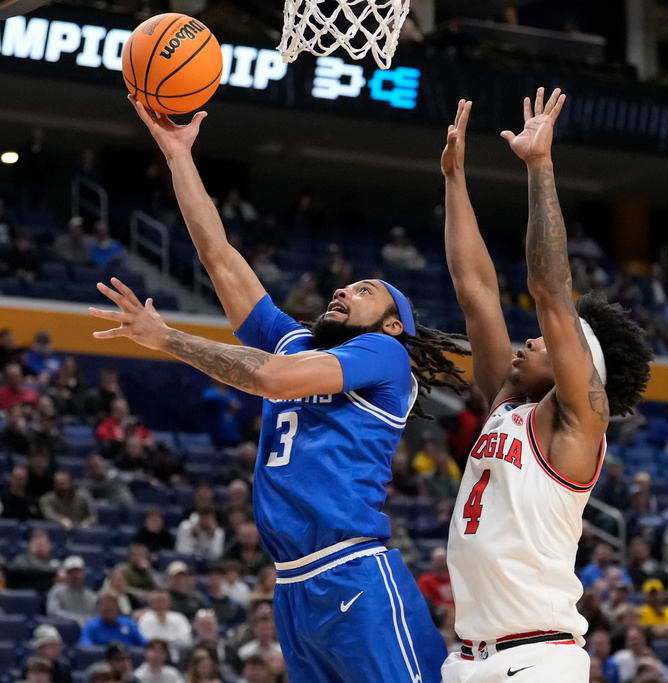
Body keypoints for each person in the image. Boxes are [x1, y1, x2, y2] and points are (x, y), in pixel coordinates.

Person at [114, 94, 469, 683]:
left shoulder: (385, 355)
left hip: (354, 572)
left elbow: (268, 379)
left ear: (391, 324)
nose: (345, 291)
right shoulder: (293, 340)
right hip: (293, 586)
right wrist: (178, 156)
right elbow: (218, 256)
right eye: (346, 285)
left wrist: (169, 339)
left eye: (365, 291)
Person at [440, 91, 651, 681]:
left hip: (536, 657)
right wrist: (455, 179)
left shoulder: (577, 425)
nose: (531, 341)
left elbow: (551, 288)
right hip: (468, 658)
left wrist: (539, 167)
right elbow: (475, 289)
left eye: (550, 342)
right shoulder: (505, 403)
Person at [46, 555, 98, 625]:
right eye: (71, 572)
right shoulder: (56, 591)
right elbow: (53, 612)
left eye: (78, 571)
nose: (75, 575)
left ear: (83, 574)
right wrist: (76, 619)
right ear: (66, 574)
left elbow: (96, 617)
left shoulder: (92, 596)